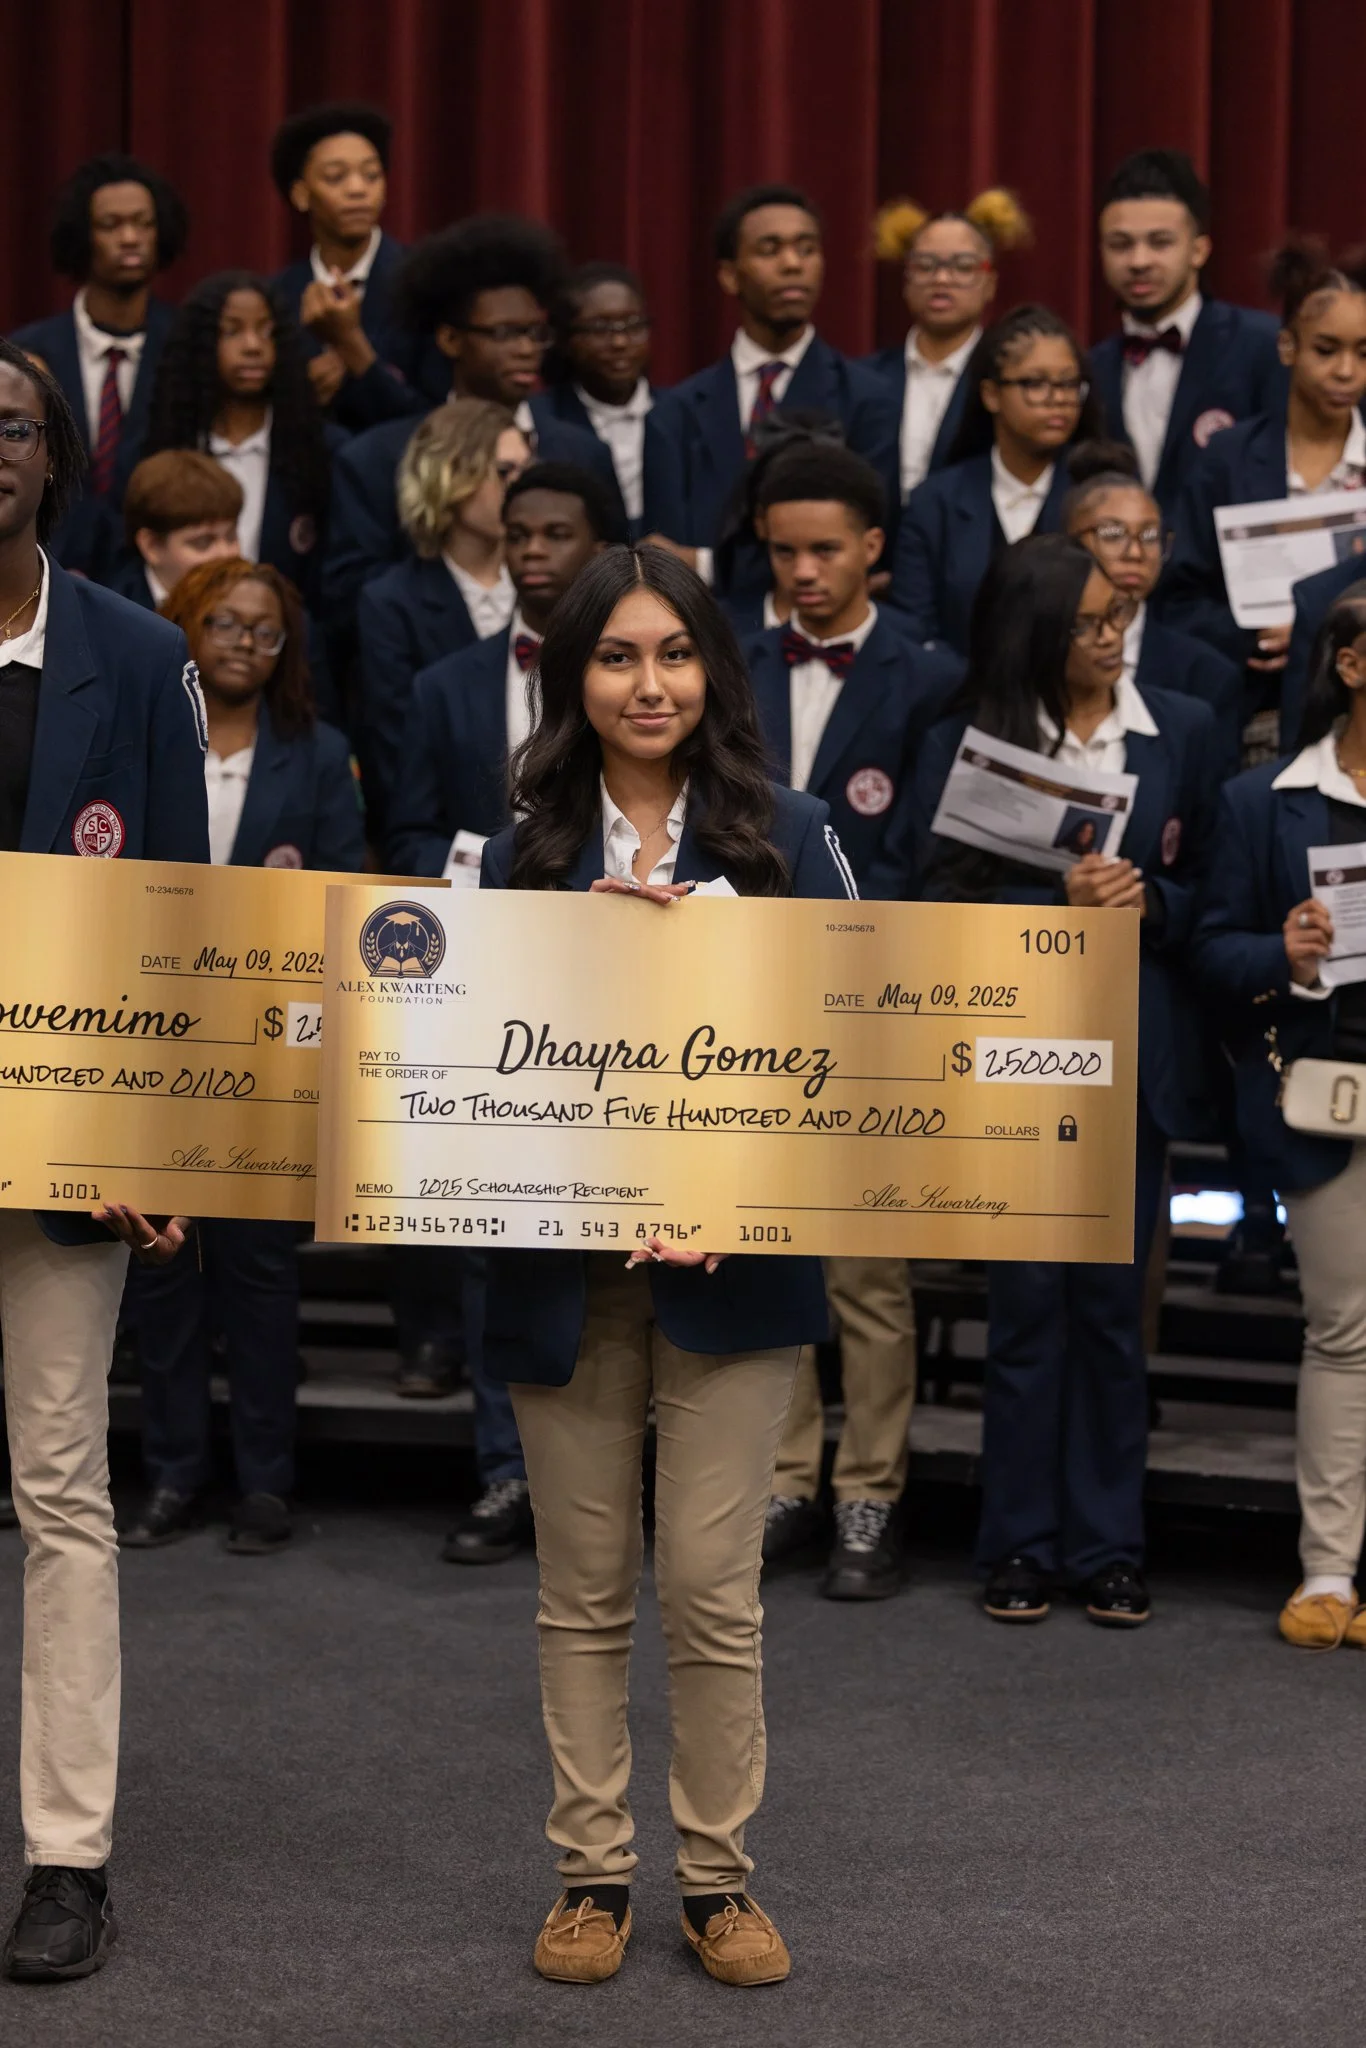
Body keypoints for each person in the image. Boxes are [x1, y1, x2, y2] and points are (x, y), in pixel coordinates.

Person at [480, 542, 854, 1987]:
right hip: (558, 1264)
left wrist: (741, 1195)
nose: (651, 683)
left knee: (708, 1581)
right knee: (580, 1583)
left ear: (713, 671)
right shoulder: (511, 844)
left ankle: (714, 1881)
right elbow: (438, 1051)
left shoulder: (786, 836)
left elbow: (846, 1059)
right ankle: (590, 1874)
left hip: (734, 1265)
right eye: (619, 656)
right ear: (573, 676)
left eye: (676, 654)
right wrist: (558, 949)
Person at [0, 338, 208, 1983]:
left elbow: (181, 924)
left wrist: (159, 1136)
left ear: (57, 453)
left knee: (61, 1486)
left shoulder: (136, 654)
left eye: (10, 421)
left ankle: (66, 1853)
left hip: (63, 1145)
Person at [908, 533, 1216, 1629]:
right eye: (1088, 622)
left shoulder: (1176, 726)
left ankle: (1108, 1543)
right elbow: (929, 913)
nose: (1110, 636)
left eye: (1118, 618)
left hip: (1128, 1057)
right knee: (1027, 1307)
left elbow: (1212, 902)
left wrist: (1150, 904)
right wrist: (1052, 914)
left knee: (1108, 1311)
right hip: (1017, 1059)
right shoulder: (966, 742)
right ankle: (1020, 1543)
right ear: (1037, 630)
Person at [738, 444, 956, 1597]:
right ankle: (784, 1477)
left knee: (866, 1273)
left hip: (869, 1002)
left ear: (873, 545)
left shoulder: (927, 671)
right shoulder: (724, 650)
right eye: (783, 551)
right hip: (745, 1000)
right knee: (773, 1251)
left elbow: (922, 851)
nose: (803, 572)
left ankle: (870, 1490)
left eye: (825, 549)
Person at [119, 557, 363, 1558]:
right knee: (163, 1269)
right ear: (184, 624)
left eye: (265, 631)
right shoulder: (139, 737)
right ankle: (174, 1472)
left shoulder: (320, 752)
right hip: (153, 1042)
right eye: (223, 622)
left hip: (274, 1053)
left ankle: (265, 1480)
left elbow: (349, 896)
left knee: (260, 1273)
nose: (243, 644)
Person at [1193, 589, 1366, 1649]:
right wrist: (1287, 953)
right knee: (1343, 1332)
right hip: (1324, 1097)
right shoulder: (1263, 801)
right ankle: (1329, 1570)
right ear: (1349, 663)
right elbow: (1210, 952)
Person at [323, 216, 622, 610]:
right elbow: (347, 595)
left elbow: (616, 575)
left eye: (534, 333)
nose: (526, 349)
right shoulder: (375, 459)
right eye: (504, 333)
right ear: (450, 339)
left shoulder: (584, 453)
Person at [643, 184, 898, 584]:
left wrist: (707, 565)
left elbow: (865, 555)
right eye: (769, 249)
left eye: (806, 248)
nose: (792, 263)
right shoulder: (675, 415)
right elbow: (665, 563)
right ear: (729, 275)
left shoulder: (868, 400)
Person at [387, 461, 618, 877]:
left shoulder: (634, 676)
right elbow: (410, 841)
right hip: (481, 916)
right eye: (517, 536)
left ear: (599, 552)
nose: (532, 549)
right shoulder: (441, 687)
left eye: (557, 535)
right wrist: (499, 868)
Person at [1161, 242, 1366, 692]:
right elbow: (1179, 597)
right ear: (1287, 347)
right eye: (1327, 350)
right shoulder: (1227, 457)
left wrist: (1320, 631)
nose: (1347, 371)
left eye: (1364, 353)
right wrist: (1258, 637)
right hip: (1251, 704)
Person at [887, 304, 1104, 651]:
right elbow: (913, 633)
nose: (1058, 400)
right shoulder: (935, 503)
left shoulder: (1099, 496)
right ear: (991, 395)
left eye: (1069, 384)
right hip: (955, 696)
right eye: (1035, 384)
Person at [357, 398, 529, 835]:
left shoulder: (554, 589)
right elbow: (396, 762)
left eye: (529, 471)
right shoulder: (391, 603)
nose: (523, 489)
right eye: (505, 473)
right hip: (451, 848)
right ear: (450, 476)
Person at [11, 153, 189, 573]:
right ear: (82, 237)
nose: (130, 238)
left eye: (143, 223)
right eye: (111, 225)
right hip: (50, 574)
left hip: (159, 586)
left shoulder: (188, 344)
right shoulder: (28, 354)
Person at [1089, 148, 1283, 517]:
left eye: (1160, 242)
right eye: (1120, 244)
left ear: (1199, 249)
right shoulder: (1090, 367)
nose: (1138, 261)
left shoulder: (1263, 346)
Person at [144, 272, 334, 608]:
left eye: (266, 332)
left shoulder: (319, 451)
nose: (253, 346)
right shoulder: (160, 447)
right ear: (201, 344)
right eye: (232, 331)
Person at [1062, 440, 1242, 775]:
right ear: (1068, 540)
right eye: (1113, 534)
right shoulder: (1025, 651)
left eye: (1149, 536)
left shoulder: (1206, 675)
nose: (1135, 553)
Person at [270, 101, 441, 428]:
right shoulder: (276, 297)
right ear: (301, 195)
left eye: (372, 175)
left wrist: (354, 351)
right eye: (336, 177)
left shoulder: (427, 285)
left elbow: (436, 421)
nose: (358, 189)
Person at [864, 188, 1030, 500]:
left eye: (963, 266)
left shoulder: (1006, 380)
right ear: (906, 281)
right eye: (925, 265)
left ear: (990, 283)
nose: (941, 279)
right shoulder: (864, 380)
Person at [542, 263, 654, 530]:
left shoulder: (685, 413)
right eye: (601, 329)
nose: (620, 343)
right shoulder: (541, 419)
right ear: (567, 340)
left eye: (632, 326)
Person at [105, 448, 243, 607]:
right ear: (152, 546)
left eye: (231, 537)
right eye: (203, 543)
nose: (226, 555)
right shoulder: (115, 615)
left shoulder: (252, 603)